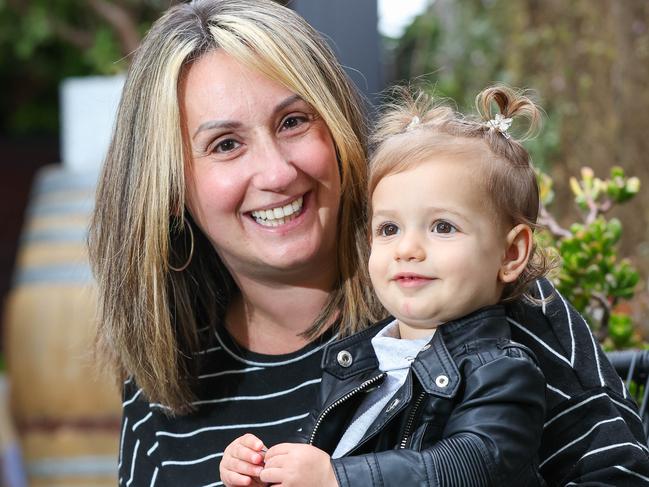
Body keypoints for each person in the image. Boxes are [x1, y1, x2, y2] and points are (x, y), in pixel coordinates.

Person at [87, 0, 649, 486]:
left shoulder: (479, 299)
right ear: (168, 186)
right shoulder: (165, 388)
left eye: (293, 122)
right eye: (226, 144)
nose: (277, 172)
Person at [220, 85, 550, 486]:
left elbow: (470, 465)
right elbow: (329, 457)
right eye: (389, 228)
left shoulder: (501, 369)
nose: (407, 249)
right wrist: (267, 470)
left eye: (443, 227)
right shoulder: (363, 362)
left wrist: (336, 478)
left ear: (510, 254)